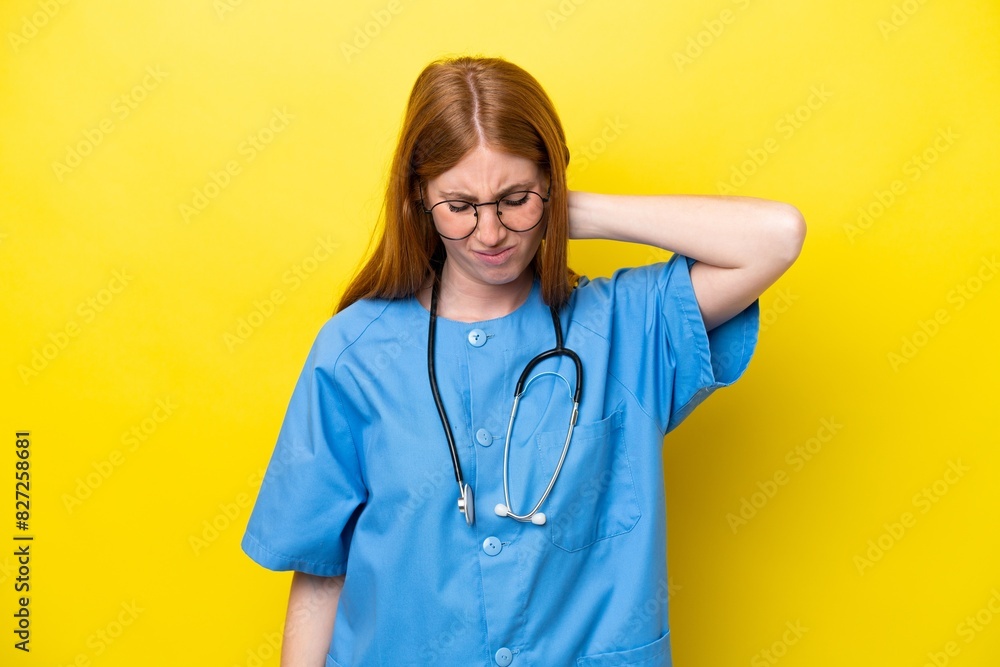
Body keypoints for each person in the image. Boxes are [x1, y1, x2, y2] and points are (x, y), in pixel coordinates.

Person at [241, 56, 805, 667]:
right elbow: (321, 569)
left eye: (515, 199)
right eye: (460, 205)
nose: (490, 233)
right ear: (418, 199)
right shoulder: (355, 352)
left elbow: (777, 236)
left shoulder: (629, 325)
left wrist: (572, 211)